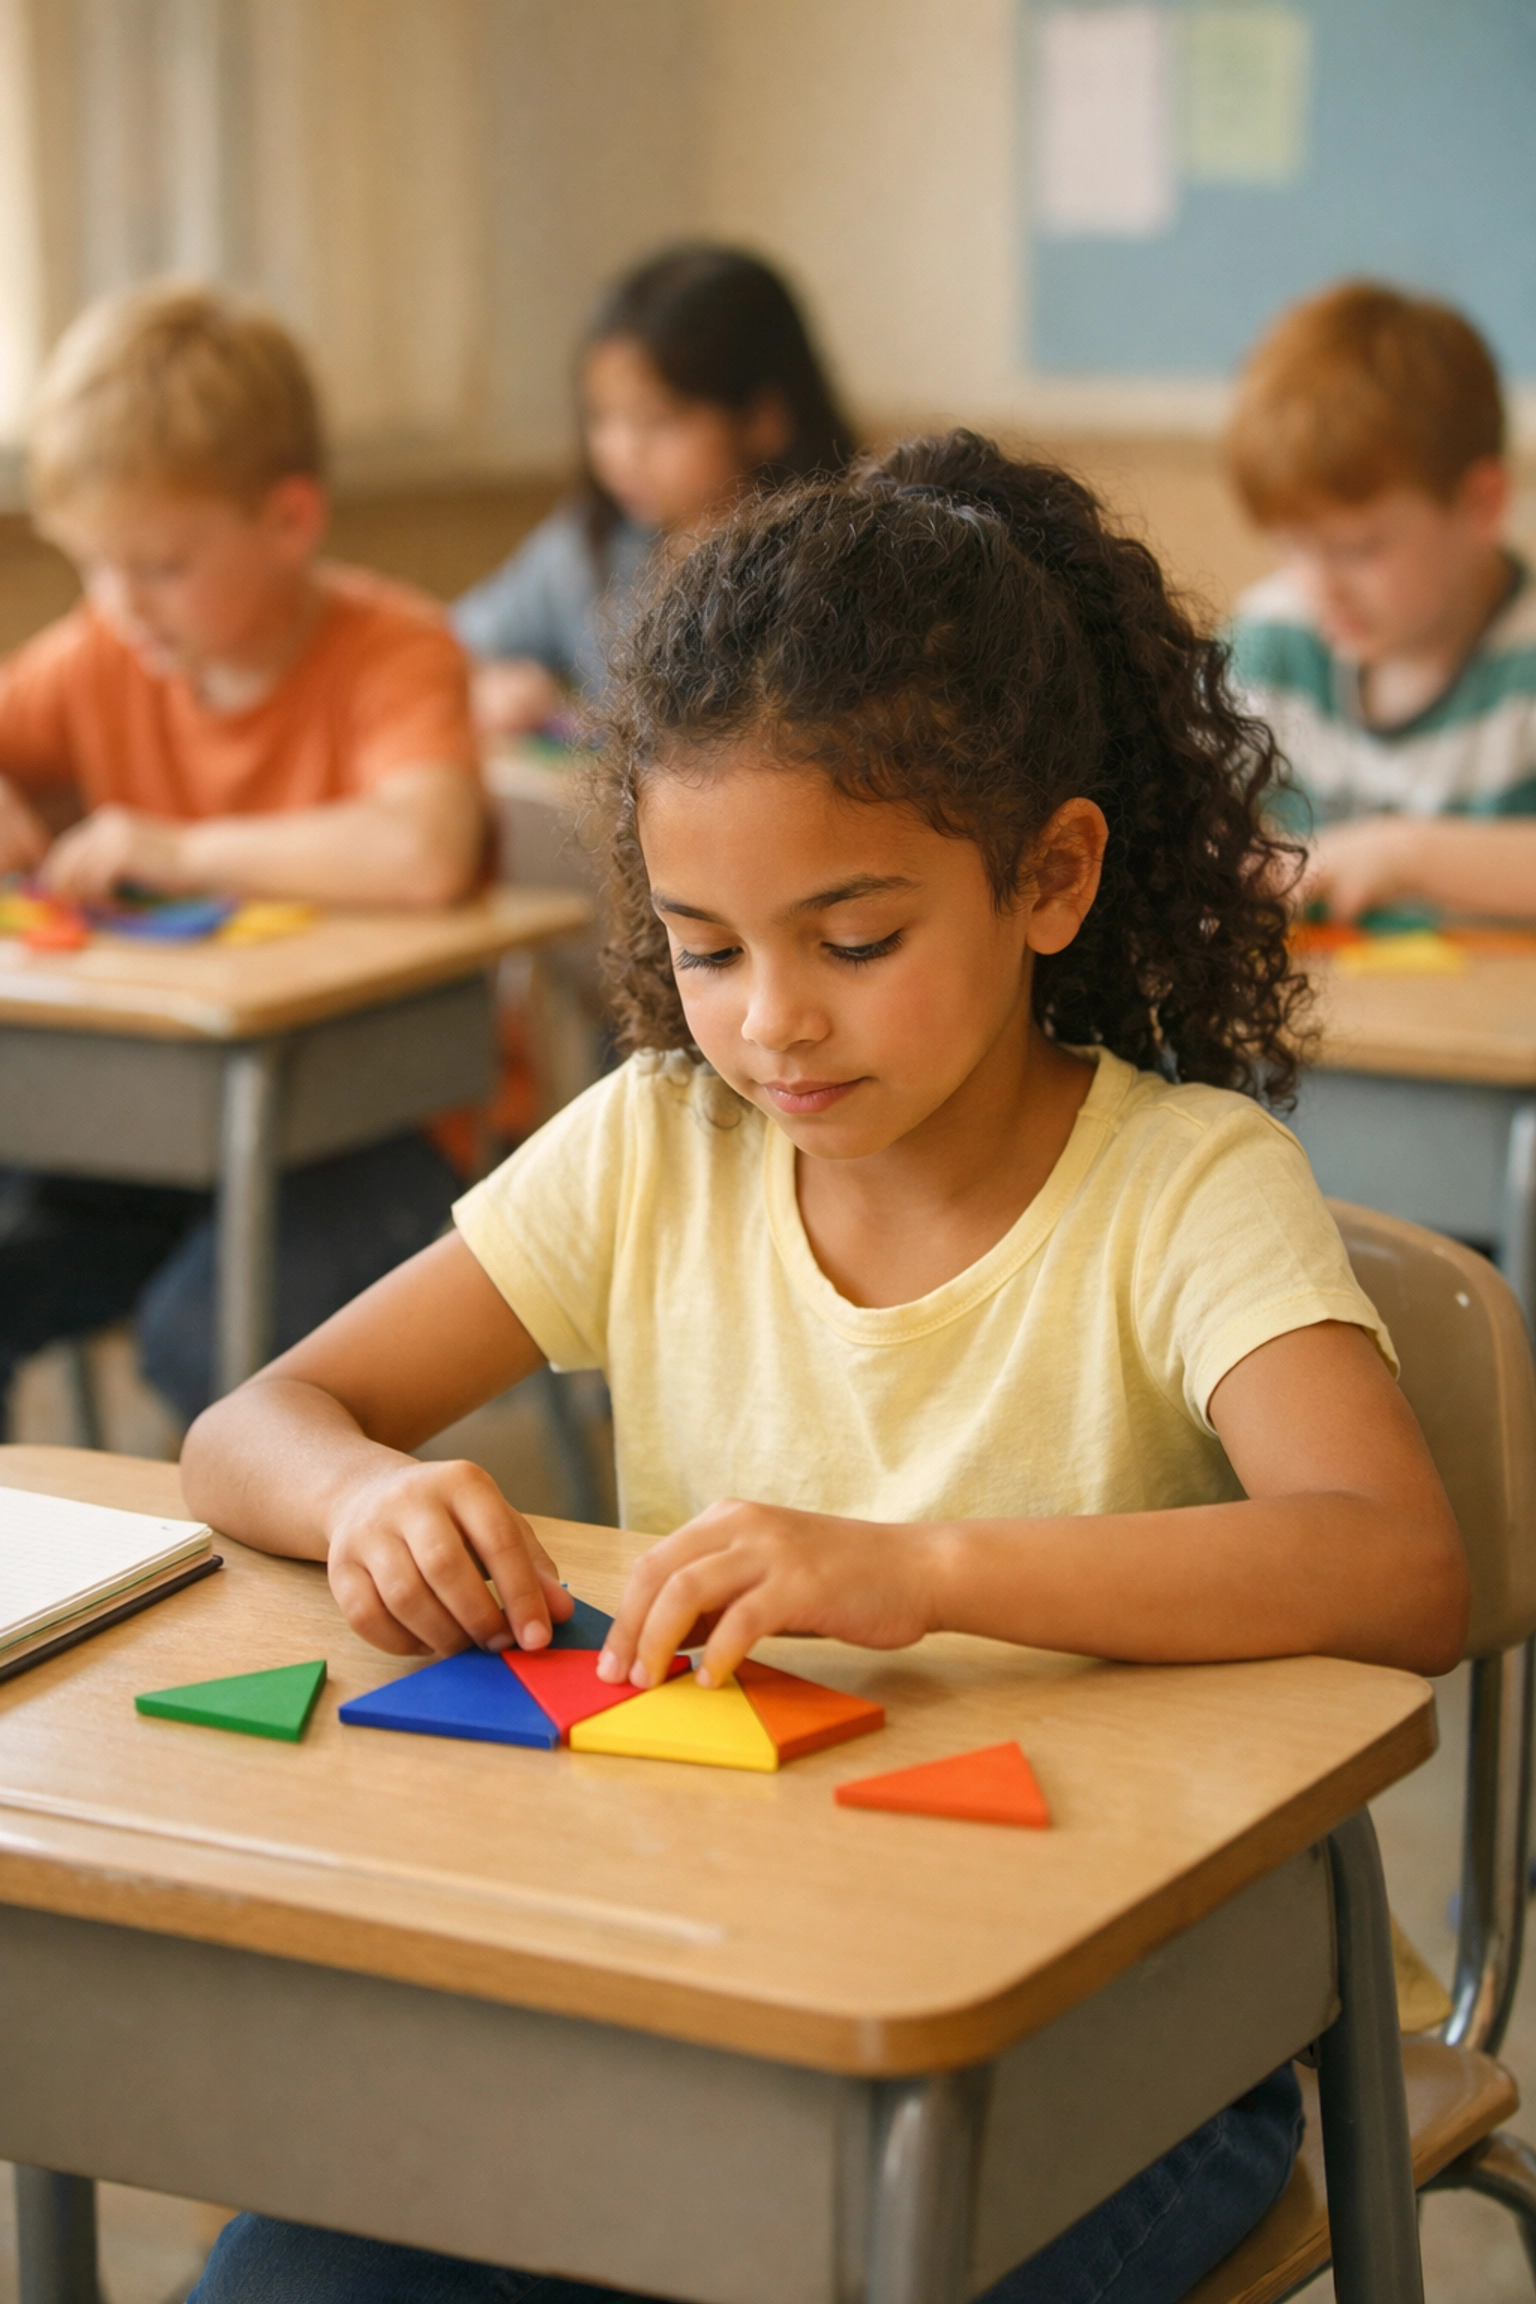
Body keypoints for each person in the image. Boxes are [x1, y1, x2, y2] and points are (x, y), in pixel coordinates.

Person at [182, 432, 1465, 2304]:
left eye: (853, 939)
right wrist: (368, 1490)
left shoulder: (1185, 1185)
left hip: (1146, 2031)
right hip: (727, 1971)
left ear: (1049, 877)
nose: (770, 1018)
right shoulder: (655, 1144)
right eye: (705, 947)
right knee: (286, 2270)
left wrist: (916, 1568)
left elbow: (1393, 1561)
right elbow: (251, 1424)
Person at [0, 281, 487, 1430]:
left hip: (377, 1129)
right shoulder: (99, 654)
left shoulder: (395, 652)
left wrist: (173, 846)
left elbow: (424, 849)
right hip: (154, 1123)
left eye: (159, 567)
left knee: (201, 1345)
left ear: (290, 523)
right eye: (93, 566)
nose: (120, 605)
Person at [1224, 280, 1536, 921]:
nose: (1320, 586)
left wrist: (1403, 855)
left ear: (1481, 505)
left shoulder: (1524, 664)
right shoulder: (1269, 646)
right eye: (1291, 547)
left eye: (1358, 549)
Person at [453, 241, 854, 739]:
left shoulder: (837, 567)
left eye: (658, 422)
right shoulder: (591, 545)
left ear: (764, 420)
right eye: (602, 418)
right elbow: (448, 642)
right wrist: (488, 682)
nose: (622, 452)